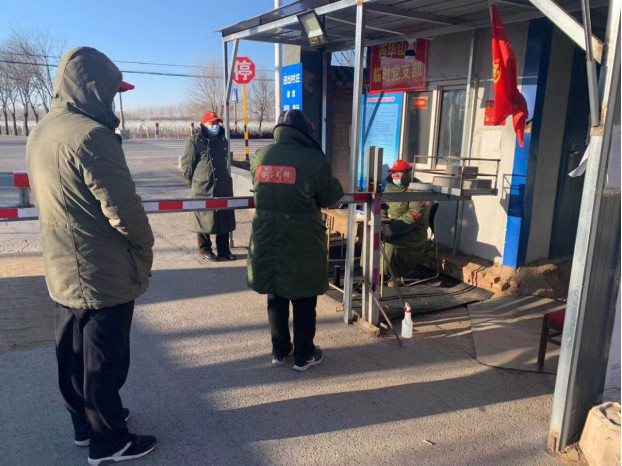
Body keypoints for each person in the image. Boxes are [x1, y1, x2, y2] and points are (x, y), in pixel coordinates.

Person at [26, 46, 157, 465]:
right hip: (101, 271)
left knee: (72, 354)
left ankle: (85, 425)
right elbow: (124, 209)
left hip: (62, 265)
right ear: (95, 88)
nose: (114, 101)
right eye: (113, 92)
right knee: (104, 359)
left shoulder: (42, 131)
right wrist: (144, 245)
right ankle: (109, 441)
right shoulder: (92, 136)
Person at [247, 110, 343, 371]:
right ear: (305, 131)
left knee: (275, 293)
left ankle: (279, 351)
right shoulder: (315, 160)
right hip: (302, 239)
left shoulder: (260, 156)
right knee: (304, 296)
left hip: (267, 237)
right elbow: (330, 196)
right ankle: (303, 355)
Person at [181, 112, 236, 261]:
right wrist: (193, 183)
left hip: (222, 185)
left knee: (223, 217)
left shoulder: (223, 140)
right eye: (212, 123)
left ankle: (223, 250)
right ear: (204, 124)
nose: (215, 126)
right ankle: (205, 250)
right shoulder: (195, 141)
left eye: (217, 123)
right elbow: (187, 166)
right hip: (203, 186)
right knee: (203, 218)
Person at [381, 160, 431, 287]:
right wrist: (381, 222)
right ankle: (378, 272)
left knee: (391, 246)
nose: (395, 175)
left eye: (399, 172)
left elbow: (415, 215)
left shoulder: (419, 189)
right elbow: (382, 206)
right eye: (393, 172)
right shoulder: (389, 187)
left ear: (408, 173)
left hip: (412, 232)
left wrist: (392, 229)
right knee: (370, 240)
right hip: (389, 225)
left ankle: (397, 274)